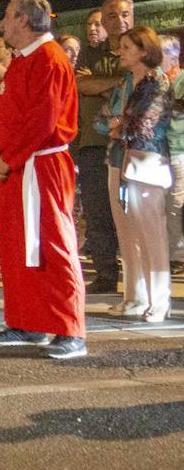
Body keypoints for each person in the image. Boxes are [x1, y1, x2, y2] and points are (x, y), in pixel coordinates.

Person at [0, 0, 85, 359]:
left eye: (8, 15)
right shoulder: (24, 59)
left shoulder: (49, 59)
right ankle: (28, 322)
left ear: (24, 20)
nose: (3, 22)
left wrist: (7, 157)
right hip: (16, 164)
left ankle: (69, 328)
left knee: (53, 244)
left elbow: (43, 120)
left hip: (40, 165)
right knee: (17, 246)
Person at [101, 26, 172, 321]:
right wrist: (118, 125)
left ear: (144, 50)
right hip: (121, 159)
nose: (121, 52)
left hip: (147, 161)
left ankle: (160, 300)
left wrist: (119, 124)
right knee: (128, 232)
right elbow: (103, 120)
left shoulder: (157, 83)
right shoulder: (126, 82)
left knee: (151, 233)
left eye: (128, 47)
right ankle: (135, 296)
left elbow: (143, 124)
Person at [74, 0, 132, 294]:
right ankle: (106, 273)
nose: (117, 20)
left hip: (133, 145)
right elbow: (80, 84)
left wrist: (99, 82)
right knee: (97, 210)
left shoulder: (140, 51)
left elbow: (139, 85)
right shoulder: (90, 53)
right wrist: (117, 83)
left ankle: (136, 273)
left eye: (124, 14)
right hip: (94, 143)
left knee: (132, 210)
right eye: (111, 15)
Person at [162, 34, 184, 272]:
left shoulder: (181, 79)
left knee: (175, 205)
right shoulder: (156, 80)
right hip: (159, 152)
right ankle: (167, 252)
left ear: (173, 56)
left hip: (179, 150)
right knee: (162, 205)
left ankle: (177, 255)